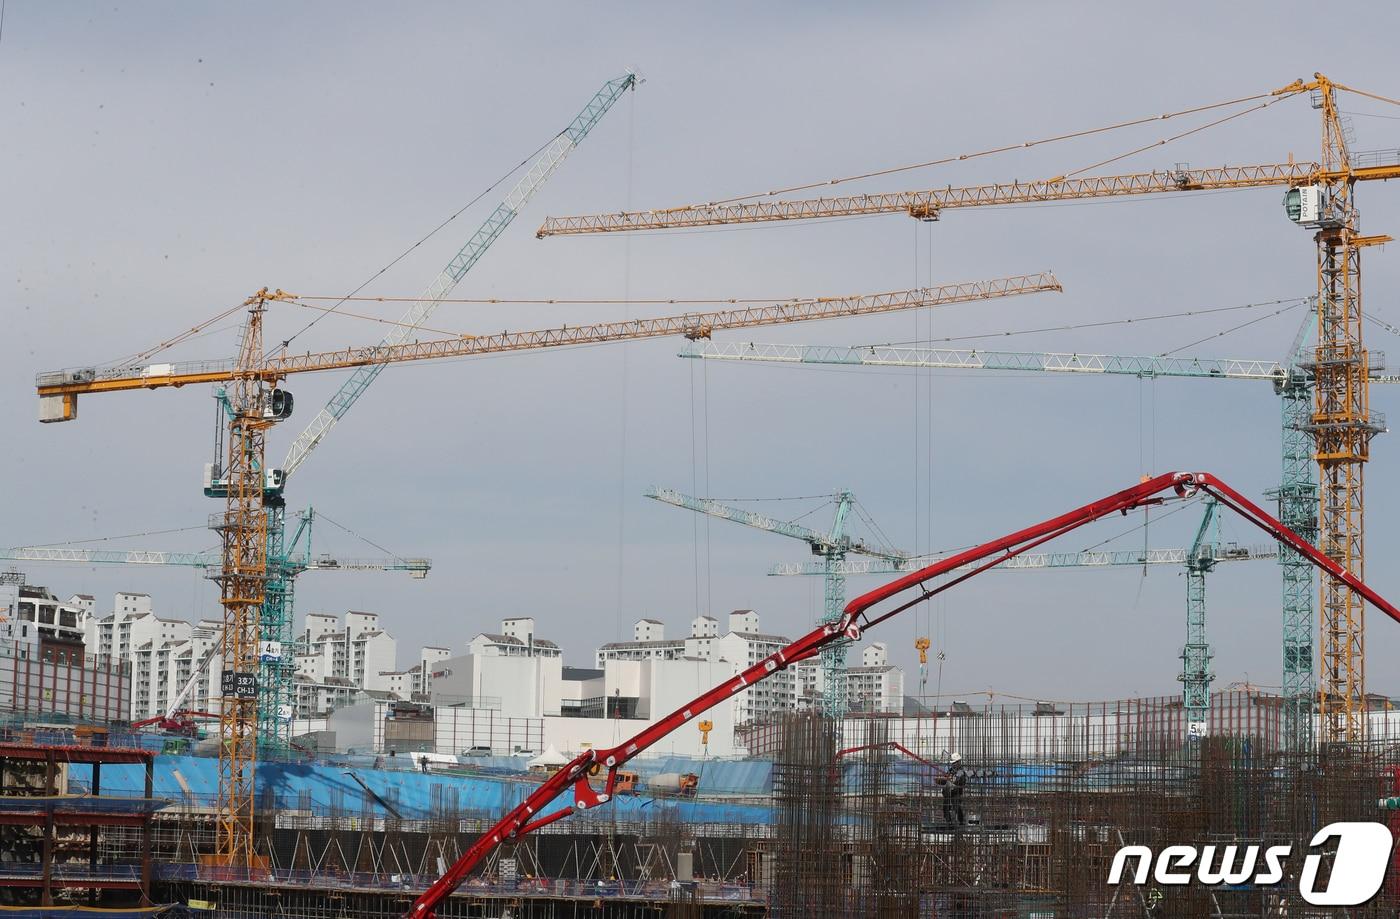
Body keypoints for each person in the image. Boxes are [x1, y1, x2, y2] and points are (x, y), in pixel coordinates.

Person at [940, 752, 967, 826]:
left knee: (956, 806)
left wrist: (952, 780)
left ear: (958, 762)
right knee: (946, 806)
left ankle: (961, 822)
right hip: (948, 791)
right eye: (953, 763)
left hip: (956, 792)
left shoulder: (961, 771)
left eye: (954, 763)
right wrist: (942, 779)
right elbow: (946, 778)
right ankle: (948, 822)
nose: (953, 764)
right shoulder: (951, 770)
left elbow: (959, 781)